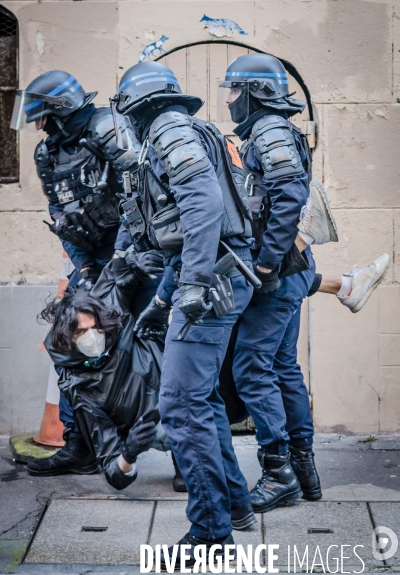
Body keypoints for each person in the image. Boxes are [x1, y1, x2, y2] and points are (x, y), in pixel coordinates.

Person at [219, 52, 390, 512]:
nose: (229, 99)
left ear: (254, 92)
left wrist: (268, 263)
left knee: (252, 371)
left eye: (233, 89)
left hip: (276, 277)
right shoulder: (267, 130)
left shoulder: (269, 130)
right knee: (282, 369)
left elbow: (290, 194)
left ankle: (278, 474)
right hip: (293, 274)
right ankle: (304, 472)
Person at [113, 60, 260, 568]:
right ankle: (235, 505)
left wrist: (193, 285)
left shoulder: (169, 130)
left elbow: (203, 207)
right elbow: (184, 235)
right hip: (213, 272)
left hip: (214, 278)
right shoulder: (174, 130)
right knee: (202, 399)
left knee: (179, 404)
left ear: (134, 105)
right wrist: (160, 302)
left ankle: (211, 535)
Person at [10, 71, 169, 479]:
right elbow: (60, 216)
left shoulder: (108, 127)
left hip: (140, 251)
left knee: (160, 347)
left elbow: (139, 192)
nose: (37, 125)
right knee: (69, 344)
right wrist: (84, 267)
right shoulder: (47, 154)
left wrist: (122, 257)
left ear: (60, 110)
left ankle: (186, 456)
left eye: (42, 116)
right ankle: (79, 446)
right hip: (95, 259)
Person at [34, 255, 167, 490]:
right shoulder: (80, 390)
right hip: (154, 424)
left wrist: (135, 262)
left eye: (95, 327)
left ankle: (187, 464)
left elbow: (114, 271)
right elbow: (114, 473)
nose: (94, 335)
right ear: (68, 338)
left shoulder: (111, 320)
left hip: (174, 386)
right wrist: (129, 454)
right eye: (82, 331)